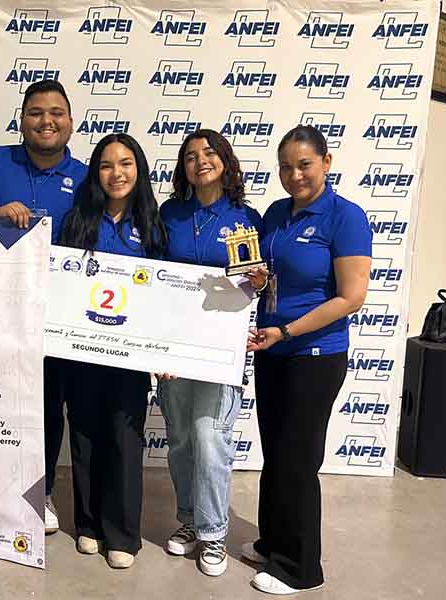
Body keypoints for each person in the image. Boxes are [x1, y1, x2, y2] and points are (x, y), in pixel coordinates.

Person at [0, 80, 88, 534]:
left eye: (57, 113)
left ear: (70, 120)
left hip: (58, 313)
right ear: (21, 119)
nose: (47, 121)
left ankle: (38, 493)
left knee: (46, 406)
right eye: (37, 112)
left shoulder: (87, 176)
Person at [244, 125, 371, 594]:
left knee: (298, 460)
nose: (294, 175)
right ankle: (272, 541)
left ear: (326, 163)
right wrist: (255, 282)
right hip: (272, 349)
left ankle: (300, 569)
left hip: (314, 355)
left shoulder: (345, 217)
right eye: (285, 166)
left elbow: (351, 297)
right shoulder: (276, 213)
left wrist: (289, 331)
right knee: (275, 452)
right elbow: (261, 276)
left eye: (304, 164)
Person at [157, 129, 265, 577]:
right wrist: (155, 345)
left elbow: (248, 284)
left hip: (221, 345)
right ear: (182, 168)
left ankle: (214, 533)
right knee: (181, 437)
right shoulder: (170, 213)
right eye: (190, 156)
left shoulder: (244, 216)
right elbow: (154, 279)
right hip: (175, 344)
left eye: (209, 153)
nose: (200, 161)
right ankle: (188, 522)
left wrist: (258, 283)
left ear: (225, 159)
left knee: (209, 437)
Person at [58, 133, 167, 569]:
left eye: (125, 164)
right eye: (106, 165)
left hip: (130, 356)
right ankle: (87, 525)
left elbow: (165, 293)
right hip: (82, 350)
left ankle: (122, 534)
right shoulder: (77, 220)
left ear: (138, 170)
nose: (116, 173)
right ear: (95, 173)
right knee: (83, 435)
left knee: (124, 440)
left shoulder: (154, 224)